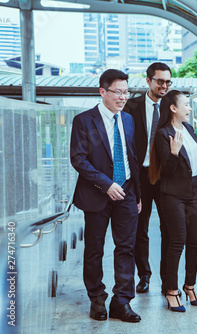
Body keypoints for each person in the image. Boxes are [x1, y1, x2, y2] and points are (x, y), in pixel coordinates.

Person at [70, 69, 142, 323]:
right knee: (94, 249)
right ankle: (97, 299)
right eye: (118, 92)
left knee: (126, 248)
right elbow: (78, 159)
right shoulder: (84, 120)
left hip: (127, 193)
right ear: (103, 92)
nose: (123, 97)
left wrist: (138, 194)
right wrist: (106, 184)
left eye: (126, 92)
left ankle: (122, 302)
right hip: (97, 194)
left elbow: (131, 157)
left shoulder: (129, 120)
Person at [149, 90, 197, 312]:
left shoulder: (189, 129)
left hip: (193, 193)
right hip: (172, 194)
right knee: (177, 242)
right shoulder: (164, 134)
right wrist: (173, 153)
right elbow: (168, 171)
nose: (189, 108)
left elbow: (195, 160)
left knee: (194, 242)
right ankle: (171, 290)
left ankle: (189, 286)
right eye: (186, 104)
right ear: (173, 108)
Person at [123, 62, 172, 293]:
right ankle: (144, 275)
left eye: (168, 82)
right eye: (160, 81)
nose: (164, 86)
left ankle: (167, 280)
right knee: (139, 228)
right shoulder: (131, 107)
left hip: (165, 176)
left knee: (169, 228)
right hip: (140, 175)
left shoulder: (172, 107)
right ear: (148, 81)